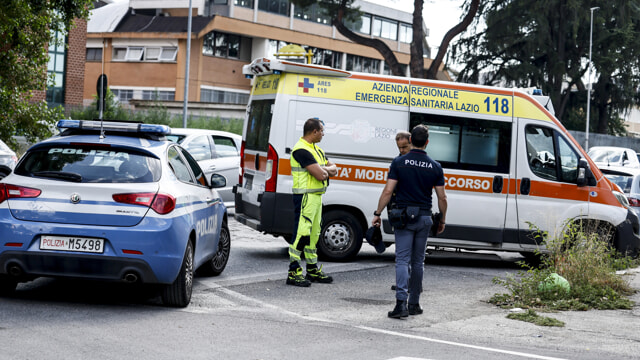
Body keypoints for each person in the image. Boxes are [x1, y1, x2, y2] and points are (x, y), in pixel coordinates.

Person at [372, 124, 447, 318]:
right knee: (418, 262)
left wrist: (378, 212)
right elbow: (442, 198)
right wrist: (442, 219)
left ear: (411, 140)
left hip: (403, 218)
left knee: (402, 261)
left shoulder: (399, 163)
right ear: (427, 142)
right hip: (424, 217)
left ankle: (401, 305)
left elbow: (388, 191)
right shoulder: (435, 166)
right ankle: (414, 304)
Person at [287, 118, 337, 287]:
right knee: (302, 234)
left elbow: (335, 169)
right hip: (305, 197)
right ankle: (293, 272)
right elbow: (321, 175)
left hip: (316, 197)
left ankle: (312, 269)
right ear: (314, 131)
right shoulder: (301, 150)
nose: (323, 134)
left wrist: (324, 169)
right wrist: (324, 170)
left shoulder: (316, 150)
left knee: (314, 235)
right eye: (322, 131)